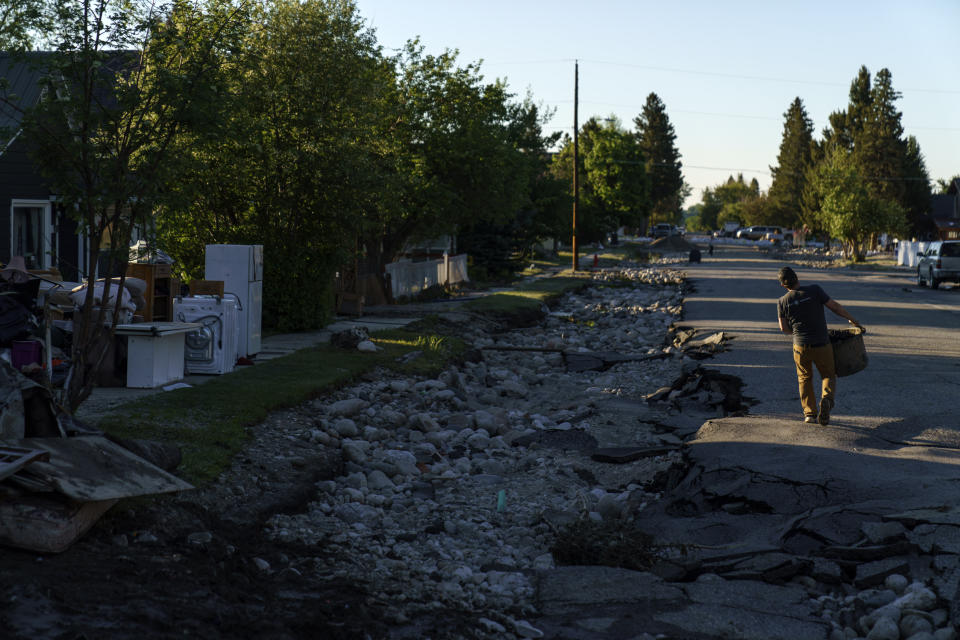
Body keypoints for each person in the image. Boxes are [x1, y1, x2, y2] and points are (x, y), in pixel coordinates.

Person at [776, 266, 863, 425]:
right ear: (797, 278)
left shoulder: (782, 302)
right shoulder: (814, 290)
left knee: (804, 378)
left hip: (800, 346)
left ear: (783, 285)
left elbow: (783, 328)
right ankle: (827, 400)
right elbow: (835, 307)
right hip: (822, 343)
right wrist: (852, 320)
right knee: (828, 375)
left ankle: (809, 414)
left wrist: (796, 333)